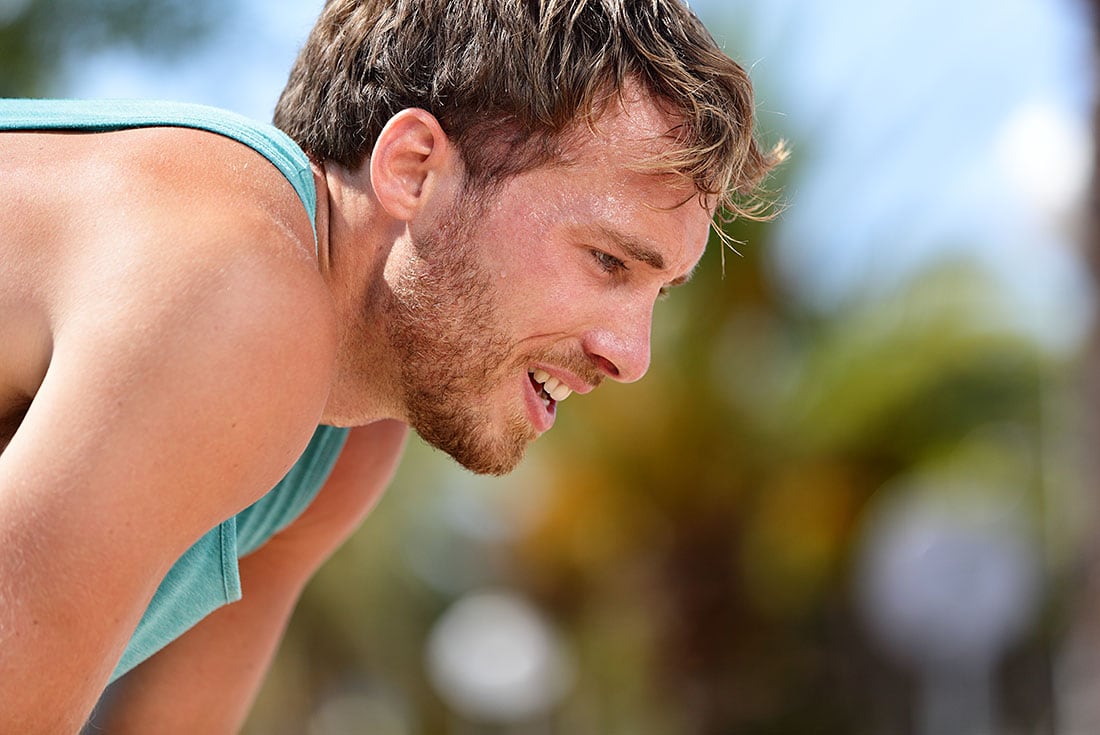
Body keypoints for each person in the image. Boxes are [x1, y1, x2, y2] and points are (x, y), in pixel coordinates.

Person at [0, 0, 782, 730]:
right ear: (414, 171)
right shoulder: (236, 288)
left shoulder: (344, 441)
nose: (633, 355)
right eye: (609, 260)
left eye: (660, 293)